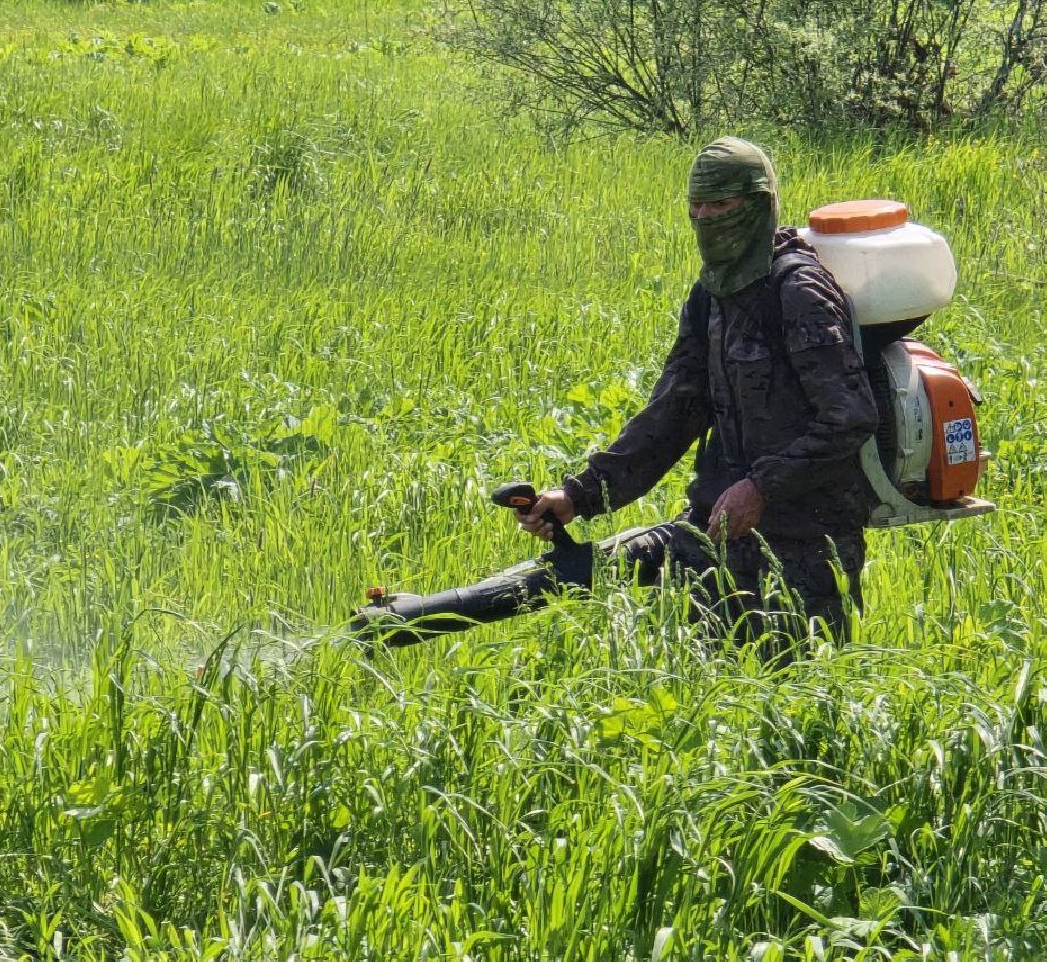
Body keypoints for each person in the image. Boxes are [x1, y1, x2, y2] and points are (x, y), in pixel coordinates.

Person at [354, 137, 879, 658]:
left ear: (759, 204)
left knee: (787, 698)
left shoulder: (799, 292)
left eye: (720, 205)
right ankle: (403, 620)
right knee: (609, 588)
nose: (704, 218)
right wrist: (578, 497)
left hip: (805, 546)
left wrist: (760, 487)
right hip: (716, 532)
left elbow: (850, 418)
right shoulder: (711, 296)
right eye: (695, 206)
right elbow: (671, 416)